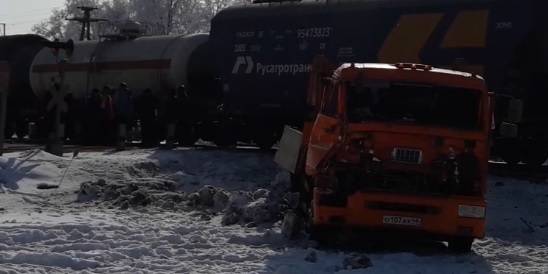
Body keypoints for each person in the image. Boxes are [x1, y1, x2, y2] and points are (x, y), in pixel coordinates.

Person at [114, 82, 134, 149]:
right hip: (123, 113)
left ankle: (125, 142)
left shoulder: (127, 93)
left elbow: (130, 103)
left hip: (124, 113)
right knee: (123, 128)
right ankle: (123, 142)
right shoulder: (121, 93)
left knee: (124, 128)